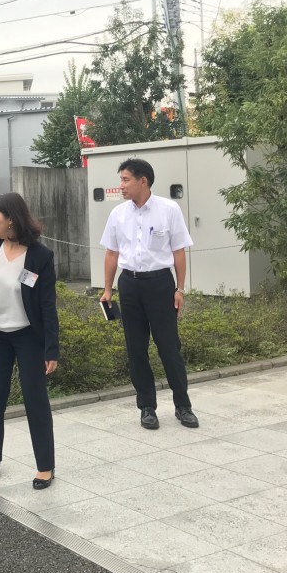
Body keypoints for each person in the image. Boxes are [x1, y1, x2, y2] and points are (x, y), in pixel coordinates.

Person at [0, 192, 58, 490]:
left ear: (11, 219)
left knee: (35, 399)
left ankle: (45, 465)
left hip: (28, 336)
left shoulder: (40, 256)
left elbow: (47, 305)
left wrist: (51, 348)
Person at [100, 158, 198, 430]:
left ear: (143, 180)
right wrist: (107, 289)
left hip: (160, 285)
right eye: (121, 180)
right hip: (129, 285)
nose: (121, 185)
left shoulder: (169, 209)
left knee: (169, 347)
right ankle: (147, 407)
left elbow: (179, 251)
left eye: (126, 180)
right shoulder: (118, 214)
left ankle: (183, 406)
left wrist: (180, 289)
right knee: (136, 349)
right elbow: (111, 253)